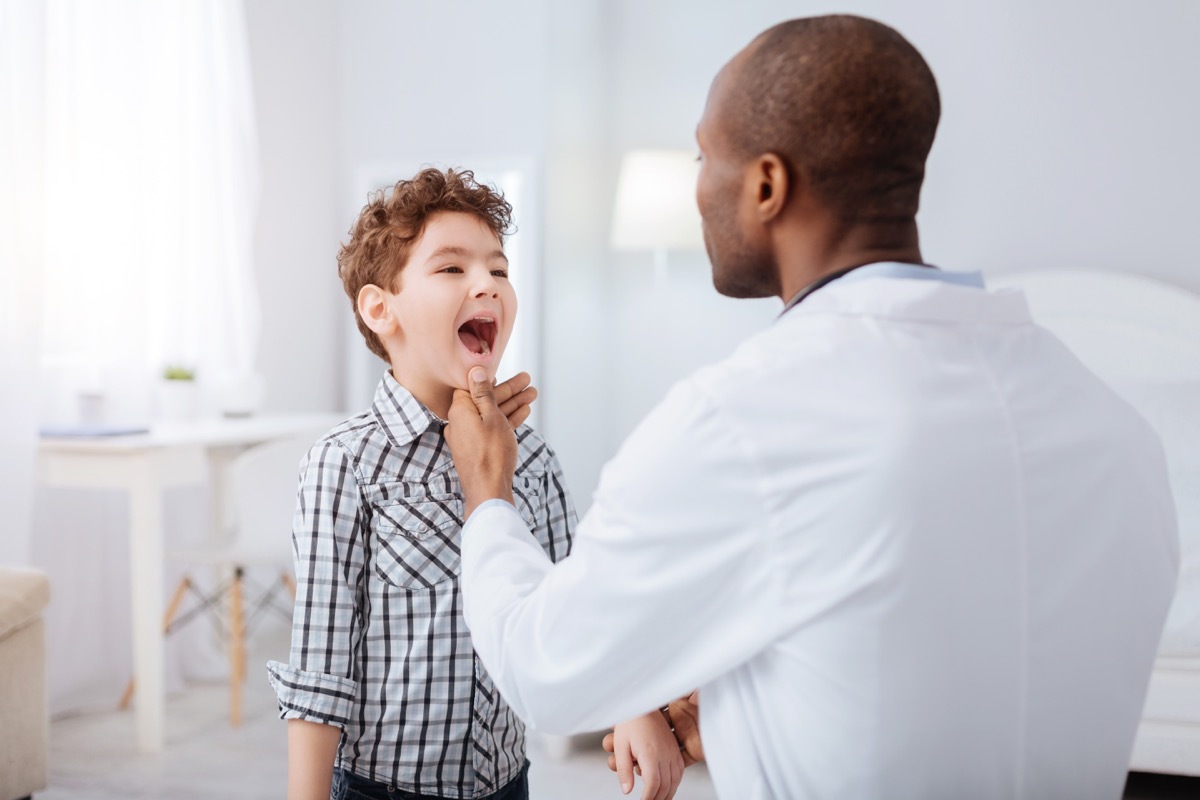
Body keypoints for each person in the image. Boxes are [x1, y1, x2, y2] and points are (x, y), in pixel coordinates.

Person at [442, 15, 1181, 800]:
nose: (697, 188)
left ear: (767, 185)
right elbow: (938, 669)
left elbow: (545, 670)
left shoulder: (742, 423)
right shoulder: (1119, 437)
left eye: (703, 156)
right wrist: (739, 710)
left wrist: (489, 497)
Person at [266, 167, 683, 800]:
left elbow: (577, 605)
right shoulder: (345, 463)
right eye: (452, 269)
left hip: (507, 782)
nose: (487, 284)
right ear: (381, 308)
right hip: (386, 789)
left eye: (500, 269)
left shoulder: (533, 458)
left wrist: (637, 706)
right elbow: (321, 669)